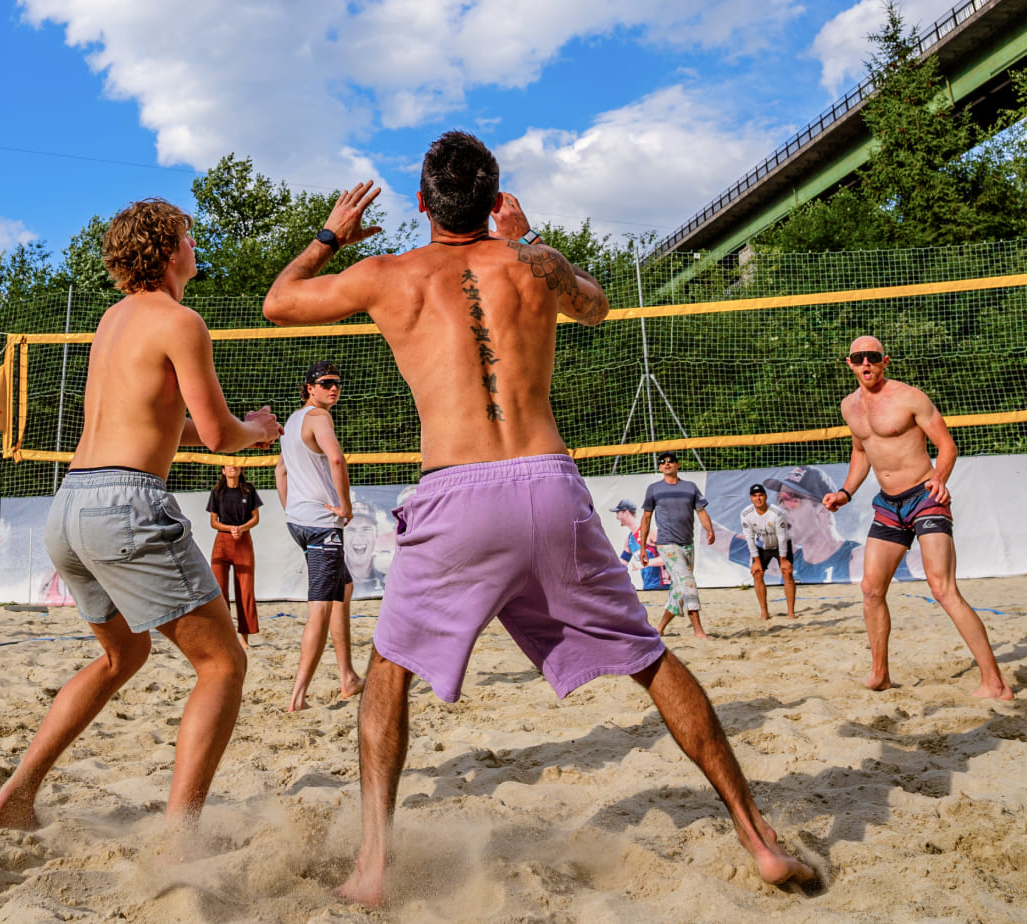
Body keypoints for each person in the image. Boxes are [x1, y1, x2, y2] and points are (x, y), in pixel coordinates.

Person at [264, 131, 812, 902]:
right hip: (549, 482)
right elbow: (596, 305)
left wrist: (331, 234)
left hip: (457, 489)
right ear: (496, 202)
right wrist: (533, 243)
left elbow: (278, 301)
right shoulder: (531, 265)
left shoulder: (389, 274)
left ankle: (373, 867)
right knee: (650, 661)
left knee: (388, 672)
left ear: (421, 203)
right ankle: (759, 839)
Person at [0, 198, 281, 834]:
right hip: (125, 503)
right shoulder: (180, 321)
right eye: (189, 236)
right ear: (170, 249)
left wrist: (236, 431)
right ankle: (179, 841)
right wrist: (256, 430)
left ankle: (16, 796)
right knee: (223, 665)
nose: (195, 246)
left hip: (70, 505)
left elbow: (162, 423)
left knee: (124, 657)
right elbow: (216, 434)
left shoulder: (111, 319)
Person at [825, 336, 1011, 699]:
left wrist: (939, 479)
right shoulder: (849, 407)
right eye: (859, 358)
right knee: (870, 589)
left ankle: (995, 683)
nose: (866, 363)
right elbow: (861, 452)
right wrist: (845, 492)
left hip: (925, 498)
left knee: (942, 588)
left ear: (885, 361)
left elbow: (947, 445)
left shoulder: (910, 397)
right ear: (848, 363)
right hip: (888, 505)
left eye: (873, 357)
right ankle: (880, 674)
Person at [276, 361, 365, 711]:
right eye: (326, 383)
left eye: (337, 384)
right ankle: (298, 696)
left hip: (299, 521)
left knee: (343, 588)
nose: (334, 388)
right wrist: (344, 506)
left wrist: (290, 510)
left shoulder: (293, 421)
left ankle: (348, 677)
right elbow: (337, 460)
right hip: (321, 524)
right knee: (320, 607)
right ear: (309, 387)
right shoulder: (318, 418)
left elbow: (281, 471)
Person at [640, 452, 714, 638]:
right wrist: (642, 547)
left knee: (678, 590)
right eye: (662, 462)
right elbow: (646, 518)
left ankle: (659, 628)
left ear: (677, 465)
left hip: (687, 544)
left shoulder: (690, 487)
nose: (666, 464)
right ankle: (698, 630)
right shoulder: (654, 489)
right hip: (667, 545)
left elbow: (701, 511)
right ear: (659, 467)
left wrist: (709, 529)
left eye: (670, 461)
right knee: (688, 583)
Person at [207, 462, 263, 649]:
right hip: (222, 542)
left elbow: (255, 518)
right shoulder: (217, 492)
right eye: (228, 465)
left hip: (243, 541)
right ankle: (223, 636)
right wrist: (229, 528)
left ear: (241, 469)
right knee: (219, 591)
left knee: (245, 591)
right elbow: (213, 522)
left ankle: (245, 640)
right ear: (223, 470)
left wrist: (241, 528)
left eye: (236, 465)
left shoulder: (248, 490)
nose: (232, 467)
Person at [739, 484, 796, 620]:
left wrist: (783, 560)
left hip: (780, 544)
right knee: (757, 573)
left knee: (787, 572)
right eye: (755, 496)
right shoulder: (746, 514)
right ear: (751, 498)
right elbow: (750, 538)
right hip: (762, 545)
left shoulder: (777, 513)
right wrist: (756, 561)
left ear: (765, 496)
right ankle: (764, 612)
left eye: (761, 495)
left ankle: (791, 612)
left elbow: (782, 537)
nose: (758, 499)